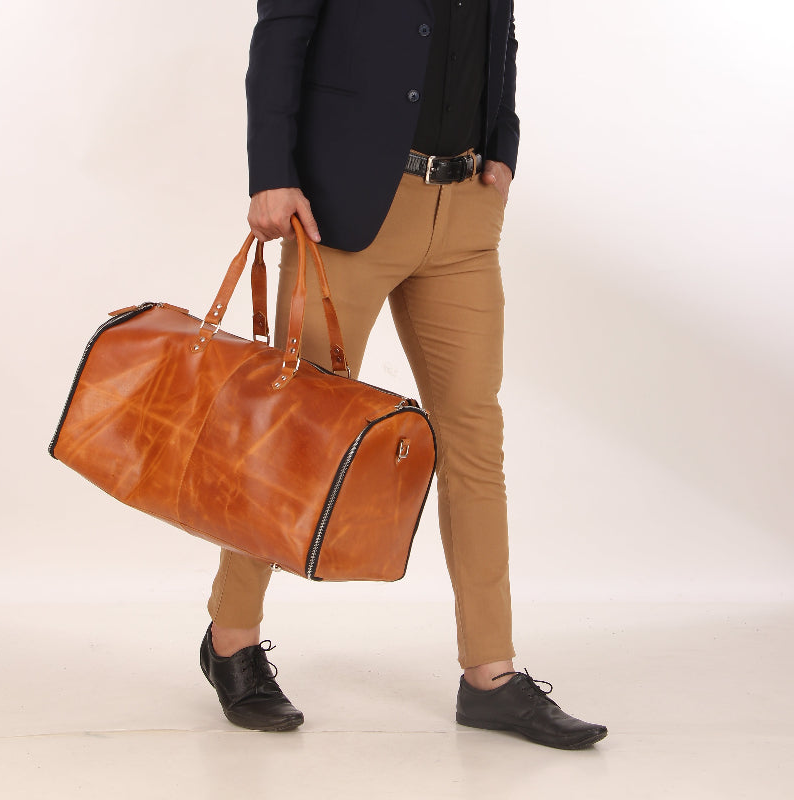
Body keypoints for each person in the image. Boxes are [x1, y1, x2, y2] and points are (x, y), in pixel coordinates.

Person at [199, 0, 607, 749]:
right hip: (342, 211)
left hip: (464, 214)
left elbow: (500, 34)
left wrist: (503, 145)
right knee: (295, 433)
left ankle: (490, 675)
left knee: (475, 440)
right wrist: (271, 174)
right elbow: (282, 33)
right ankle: (232, 640)